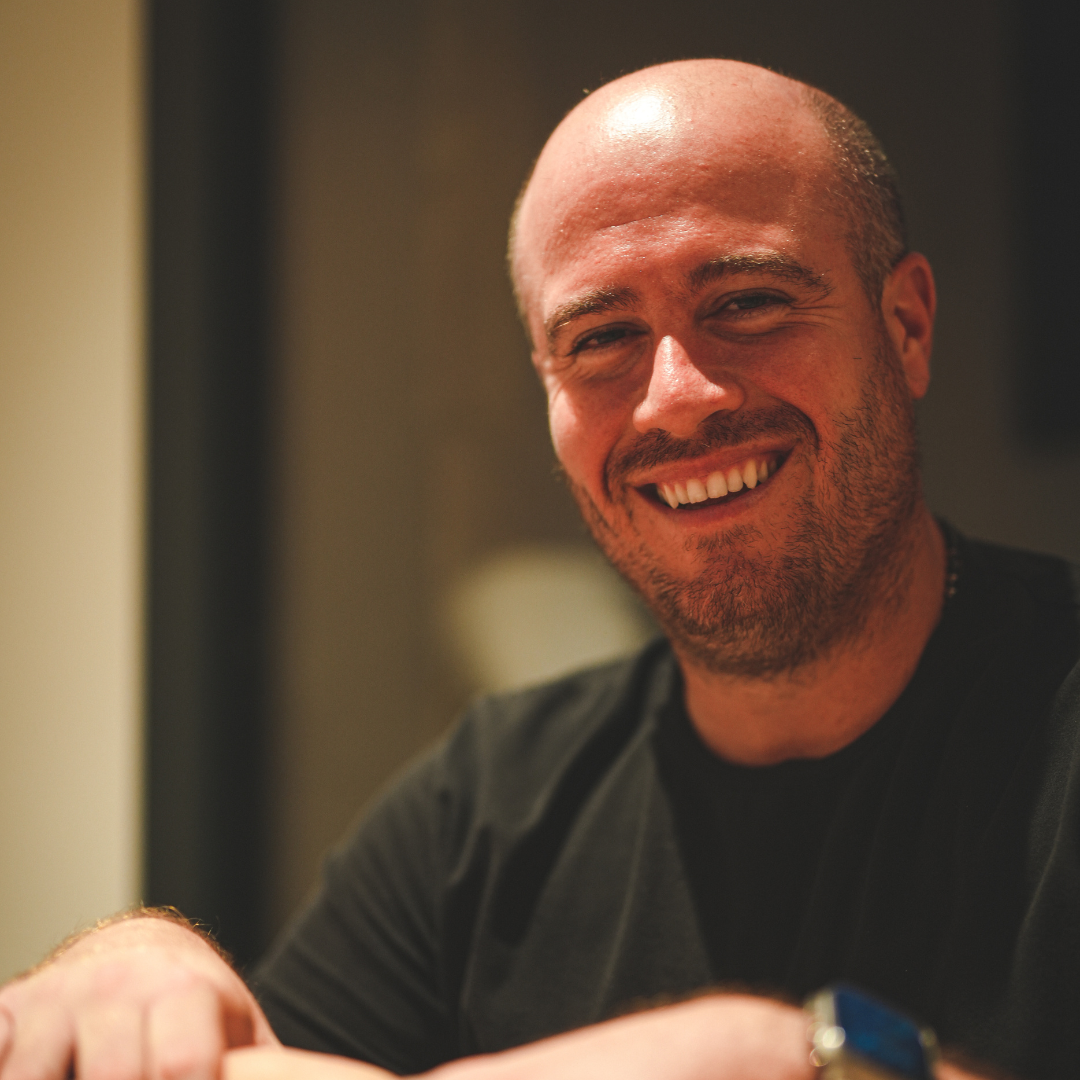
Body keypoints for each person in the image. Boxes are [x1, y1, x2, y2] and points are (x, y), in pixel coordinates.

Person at [1, 58, 1077, 1080]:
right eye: (601, 337)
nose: (675, 397)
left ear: (908, 325)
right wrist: (139, 954)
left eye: (746, 302)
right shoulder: (488, 808)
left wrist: (789, 1059)